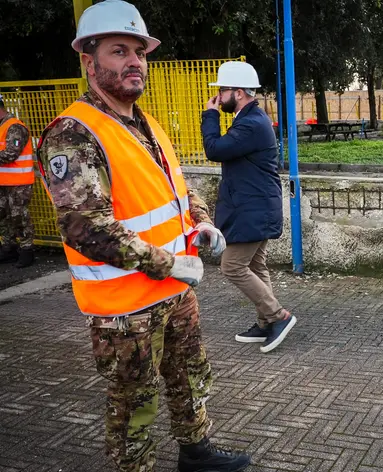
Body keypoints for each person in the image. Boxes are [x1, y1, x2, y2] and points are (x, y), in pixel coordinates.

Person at [36, 1, 250, 470]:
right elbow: (83, 226)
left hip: (175, 291)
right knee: (133, 405)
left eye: (140, 51)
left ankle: (197, 453)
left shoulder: (144, 122)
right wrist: (168, 263)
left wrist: (201, 222)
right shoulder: (73, 132)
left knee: (189, 378)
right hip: (126, 307)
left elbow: (175, 187)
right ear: (89, 62)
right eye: (119, 50)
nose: (135, 61)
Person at [201, 61, 294, 354]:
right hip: (255, 206)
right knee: (255, 265)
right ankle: (266, 322)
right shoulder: (250, 119)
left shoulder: (251, 123)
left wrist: (209, 115)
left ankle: (279, 316)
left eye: (222, 91)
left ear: (238, 92)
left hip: (253, 208)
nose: (218, 97)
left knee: (232, 266)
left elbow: (214, 149)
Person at [0, 93, 36, 268]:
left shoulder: (14, 127)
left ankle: (26, 250)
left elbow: (10, 154)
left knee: (19, 217)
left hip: (18, 183)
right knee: (3, 216)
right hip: (3, 182)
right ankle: (8, 248)